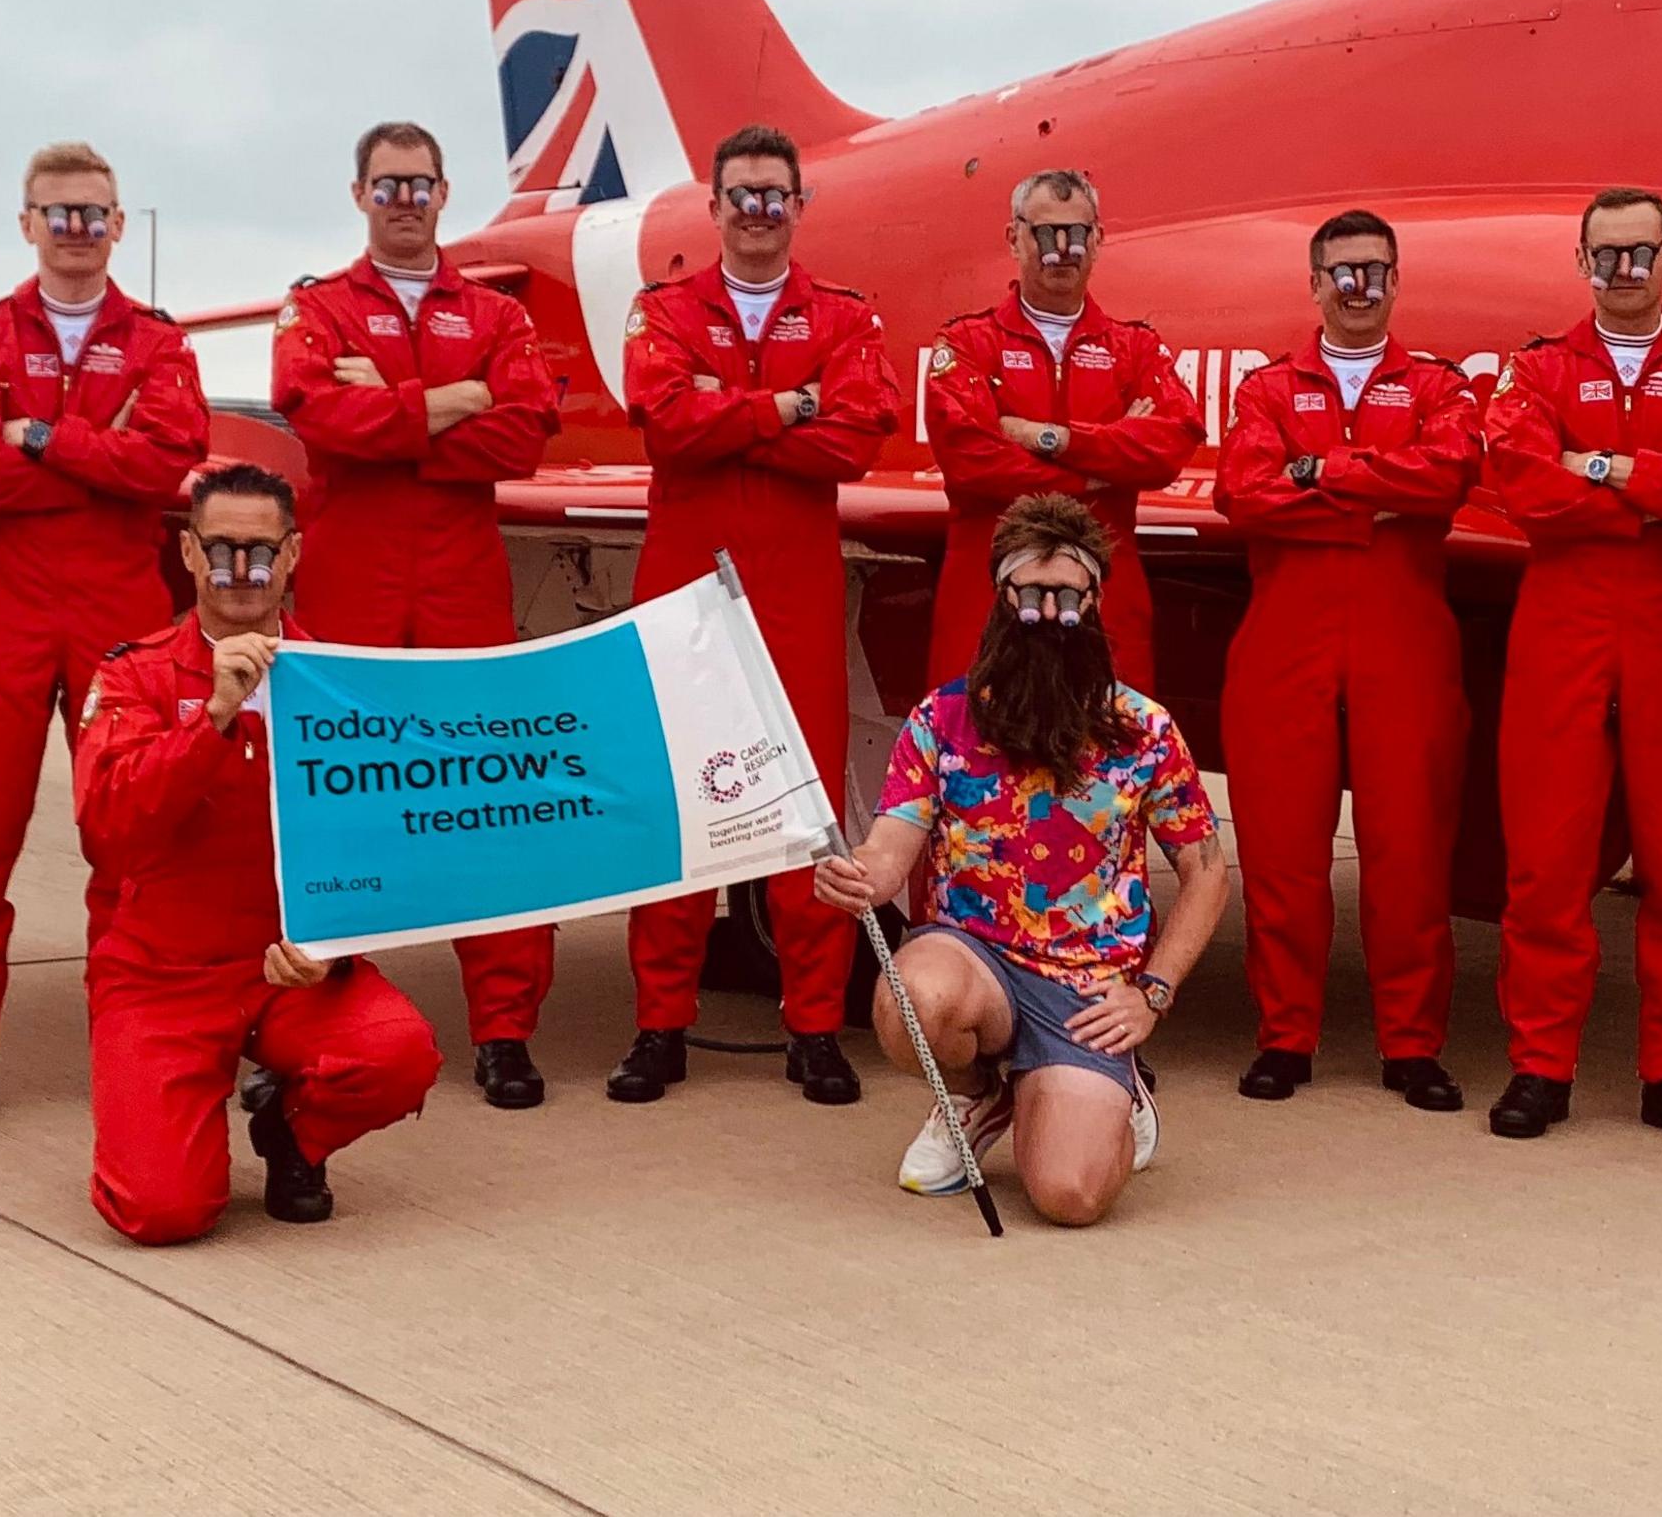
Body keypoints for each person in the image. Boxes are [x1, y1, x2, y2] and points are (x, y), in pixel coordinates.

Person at [814, 494, 1236, 1228]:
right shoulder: (941, 720)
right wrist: (858, 875)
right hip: (976, 959)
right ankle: (980, 1093)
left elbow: (1207, 872)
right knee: (913, 995)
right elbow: (890, 847)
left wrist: (1153, 994)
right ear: (1002, 597)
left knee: (1069, 1197)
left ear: (1095, 601)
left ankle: (1116, 1092)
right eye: (1031, 592)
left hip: (1089, 988)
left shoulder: (1144, 730)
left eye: (1067, 593)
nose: (1048, 611)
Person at [0, 142, 212, 1132]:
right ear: (27, 221)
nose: (76, 230)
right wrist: (96, 454)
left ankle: (129, 1026)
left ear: (120, 225)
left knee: (128, 838)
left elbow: (169, 462)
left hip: (115, 608)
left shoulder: (159, 344)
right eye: (58, 213)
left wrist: (36, 435)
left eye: (94, 214)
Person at [71, 464, 443, 1244]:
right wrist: (209, 720)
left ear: (295, 554)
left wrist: (339, 948)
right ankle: (176, 1117)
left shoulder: (344, 683)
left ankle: (290, 1134)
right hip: (161, 973)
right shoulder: (130, 674)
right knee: (162, 1212)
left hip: (288, 968)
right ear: (187, 553)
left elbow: (388, 843)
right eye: (221, 549)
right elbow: (107, 828)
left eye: (261, 551)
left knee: (398, 1055)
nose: (241, 572)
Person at [271, 121, 563, 1106]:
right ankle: (326, 1004)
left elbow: (523, 437)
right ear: (359, 194)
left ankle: (505, 1030)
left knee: (492, 799)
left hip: (461, 582)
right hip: (349, 578)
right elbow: (316, 417)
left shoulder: (492, 309)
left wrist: (393, 405)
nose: (404, 199)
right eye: (386, 183)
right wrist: (452, 399)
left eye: (419, 183)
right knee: (336, 800)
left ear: (444, 194)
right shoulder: (314, 308)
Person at [610, 124, 897, 1107]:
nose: (759, 212)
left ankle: (814, 1025)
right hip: (685, 586)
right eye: (743, 195)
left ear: (798, 207)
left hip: (795, 589)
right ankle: (660, 1025)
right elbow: (668, 432)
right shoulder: (662, 312)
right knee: (675, 806)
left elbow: (856, 445)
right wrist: (789, 408)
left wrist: (729, 410)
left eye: (777, 195)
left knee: (805, 809)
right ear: (718, 207)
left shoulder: (846, 317)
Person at [1477, 187, 1662, 1150]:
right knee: (1547, 860)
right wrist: (1657, 481)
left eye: (1642, 254)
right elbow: (1524, 486)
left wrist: (1599, 466)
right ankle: (1540, 1066)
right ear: (1582, 262)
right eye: (1607, 255)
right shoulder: (1537, 369)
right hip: (1562, 617)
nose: (1625, 271)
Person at [1209, 210, 1480, 1112]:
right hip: (1287, 638)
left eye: (1374, 271)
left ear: (1395, 281)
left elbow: (1445, 478)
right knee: (1283, 853)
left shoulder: (1438, 386)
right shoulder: (1267, 388)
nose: (1357, 287)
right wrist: (1378, 490)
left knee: (1409, 849)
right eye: (1341, 273)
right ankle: (1286, 1034)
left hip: (1403, 638)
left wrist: (1319, 475)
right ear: (1315, 283)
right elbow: (1243, 496)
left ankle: (1412, 1044)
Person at [922, 170, 1195, 693]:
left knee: (1114, 762)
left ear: (1099, 238)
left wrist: (1051, 439)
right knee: (977, 762)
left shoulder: (1133, 349)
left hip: (1106, 605)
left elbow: (1170, 446)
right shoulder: (967, 342)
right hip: (985, 604)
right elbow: (969, 459)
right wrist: (1102, 469)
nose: (1063, 250)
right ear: (1014, 238)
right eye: (1047, 234)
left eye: (1078, 233)